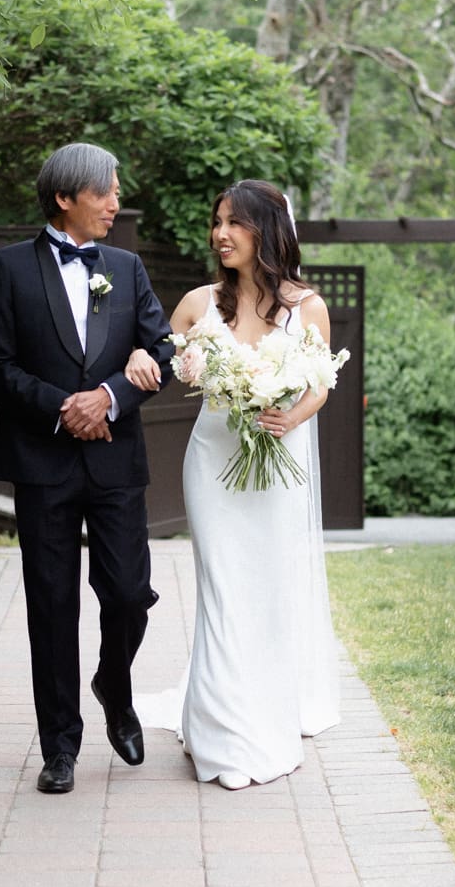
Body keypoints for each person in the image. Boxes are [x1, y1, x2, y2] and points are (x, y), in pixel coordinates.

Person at [126, 179, 340, 790]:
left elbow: (320, 382)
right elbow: (159, 361)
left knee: (267, 593)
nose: (221, 234)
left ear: (266, 231)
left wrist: (290, 416)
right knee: (222, 591)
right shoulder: (197, 304)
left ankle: (264, 725)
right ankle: (220, 738)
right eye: (217, 223)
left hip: (279, 468)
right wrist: (141, 360)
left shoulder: (308, 307)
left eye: (234, 224)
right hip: (213, 464)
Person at [0, 142, 174, 795]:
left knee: (127, 594)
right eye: (105, 193)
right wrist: (66, 408)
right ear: (65, 199)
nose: (116, 204)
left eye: (116, 192)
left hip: (117, 461)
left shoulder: (126, 266)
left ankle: (114, 685)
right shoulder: (8, 270)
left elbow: (163, 350)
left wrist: (114, 394)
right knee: (52, 606)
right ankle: (60, 746)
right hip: (43, 460)